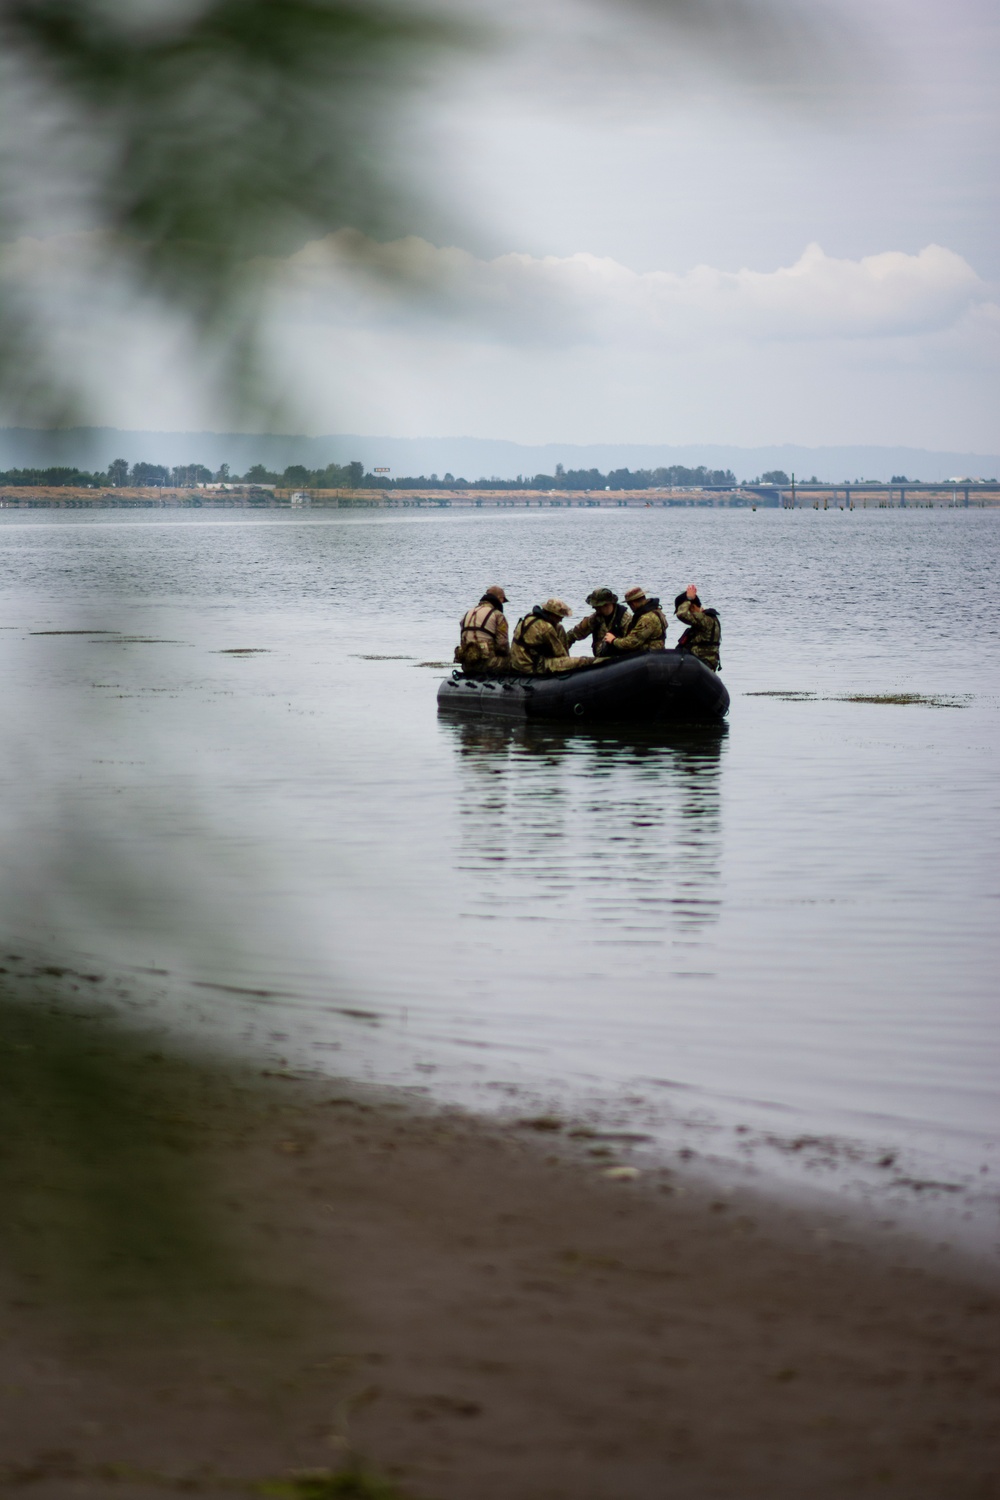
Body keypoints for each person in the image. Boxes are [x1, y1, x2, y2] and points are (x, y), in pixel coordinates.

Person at [510, 598, 592, 674]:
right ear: (552, 615)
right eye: (559, 617)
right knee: (581, 661)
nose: (561, 619)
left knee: (559, 627)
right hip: (531, 666)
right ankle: (601, 662)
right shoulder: (546, 628)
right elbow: (560, 653)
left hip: (517, 662)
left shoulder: (529, 618)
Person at [454, 585, 510, 674]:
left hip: (466, 665)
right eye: (503, 600)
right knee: (513, 661)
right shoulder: (498, 615)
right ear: (500, 598)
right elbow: (502, 646)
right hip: (487, 664)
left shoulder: (468, 613)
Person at [566, 587, 632, 657]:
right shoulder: (595, 618)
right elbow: (574, 634)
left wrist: (614, 641)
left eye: (597, 607)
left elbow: (631, 643)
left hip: (621, 659)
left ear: (606, 605)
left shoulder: (625, 619)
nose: (595, 609)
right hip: (600, 659)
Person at [602, 586, 667, 655]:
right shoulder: (656, 611)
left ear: (633, 603)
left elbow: (632, 642)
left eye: (629, 604)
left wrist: (613, 640)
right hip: (656, 652)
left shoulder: (647, 618)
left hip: (649, 655)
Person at [674, 584, 722, 672]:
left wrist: (688, 599)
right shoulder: (704, 620)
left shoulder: (705, 620)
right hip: (700, 664)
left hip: (702, 666)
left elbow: (681, 614)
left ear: (691, 607)